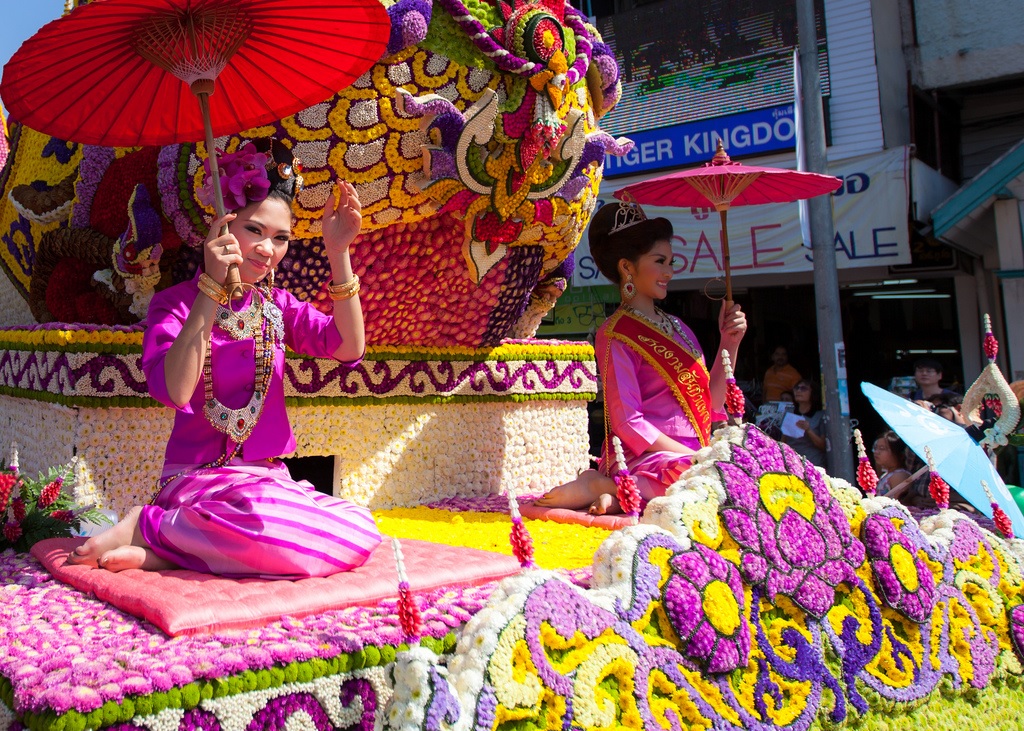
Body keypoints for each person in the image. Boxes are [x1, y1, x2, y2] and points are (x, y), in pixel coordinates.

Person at [68, 139, 382, 577]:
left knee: (360, 528)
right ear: (222, 228)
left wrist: (338, 251)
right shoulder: (174, 305)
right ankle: (153, 521)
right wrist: (211, 291)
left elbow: (349, 347)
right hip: (197, 483)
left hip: (266, 483)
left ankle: (161, 545)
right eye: (254, 230)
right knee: (263, 520)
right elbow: (174, 389)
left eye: (280, 238)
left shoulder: (278, 306)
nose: (266, 249)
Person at [534, 198, 747, 514]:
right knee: (714, 478)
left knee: (744, 470)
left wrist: (730, 341)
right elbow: (628, 423)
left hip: (692, 453)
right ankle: (604, 485)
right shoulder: (616, 333)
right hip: (649, 457)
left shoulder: (681, 329)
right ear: (626, 267)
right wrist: (699, 456)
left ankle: (617, 495)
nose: (669, 272)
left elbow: (712, 402)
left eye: (671, 263)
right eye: (660, 261)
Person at [782, 379, 826, 467]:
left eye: (803, 388)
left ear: (813, 393)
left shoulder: (820, 416)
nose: (798, 391)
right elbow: (783, 441)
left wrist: (808, 430)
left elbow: (823, 446)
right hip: (792, 464)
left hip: (813, 464)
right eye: (796, 388)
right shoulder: (789, 413)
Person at [872, 431, 914, 501]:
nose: (876, 452)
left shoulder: (899, 475)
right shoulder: (886, 474)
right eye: (875, 448)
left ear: (896, 452)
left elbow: (899, 503)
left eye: (882, 448)